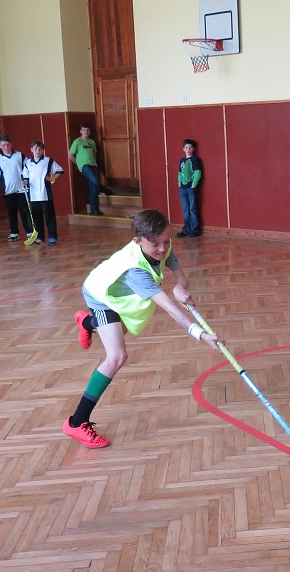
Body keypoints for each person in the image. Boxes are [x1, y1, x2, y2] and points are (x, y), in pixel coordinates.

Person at [65, 209, 222, 448]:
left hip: (118, 296)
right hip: (100, 294)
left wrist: (180, 286)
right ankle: (76, 422)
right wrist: (200, 334)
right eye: (155, 244)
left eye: (166, 241)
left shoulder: (162, 246)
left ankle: (86, 322)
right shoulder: (136, 271)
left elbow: (180, 277)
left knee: (120, 331)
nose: (162, 249)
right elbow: (170, 308)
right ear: (136, 240)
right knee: (117, 355)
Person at [0, 134, 33, 242]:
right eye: (3, 145)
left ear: (11, 144)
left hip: (22, 190)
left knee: (25, 211)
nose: (6, 147)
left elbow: (29, 168)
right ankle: (14, 232)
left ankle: (29, 232)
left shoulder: (20, 156)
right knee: (11, 212)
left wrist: (26, 180)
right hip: (8, 191)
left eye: (8, 144)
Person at [21, 140, 64, 246]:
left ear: (43, 150)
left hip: (45, 195)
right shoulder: (28, 163)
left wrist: (52, 179)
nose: (37, 151)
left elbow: (60, 170)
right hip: (34, 196)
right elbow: (25, 176)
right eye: (35, 148)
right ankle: (40, 237)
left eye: (40, 149)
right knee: (37, 217)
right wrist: (25, 182)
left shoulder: (48, 161)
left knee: (49, 217)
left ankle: (52, 237)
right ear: (31, 150)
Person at [68, 123, 112, 216]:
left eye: (87, 130)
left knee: (93, 188)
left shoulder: (92, 142)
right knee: (95, 181)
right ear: (80, 131)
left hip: (93, 165)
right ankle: (103, 189)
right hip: (84, 166)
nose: (86, 132)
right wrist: (79, 164)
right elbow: (70, 155)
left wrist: (94, 163)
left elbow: (95, 154)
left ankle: (94, 210)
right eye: (84, 130)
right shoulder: (77, 142)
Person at [176, 138, 202, 237]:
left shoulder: (195, 159)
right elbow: (179, 173)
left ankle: (194, 230)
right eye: (186, 147)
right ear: (183, 149)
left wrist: (193, 185)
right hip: (182, 188)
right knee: (185, 210)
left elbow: (197, 173)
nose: (188, 149)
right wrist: (179, 184)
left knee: (192, 209)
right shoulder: (182, 160)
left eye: (190, 147)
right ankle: (186, 229)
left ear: (193, 149)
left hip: (191, 188)